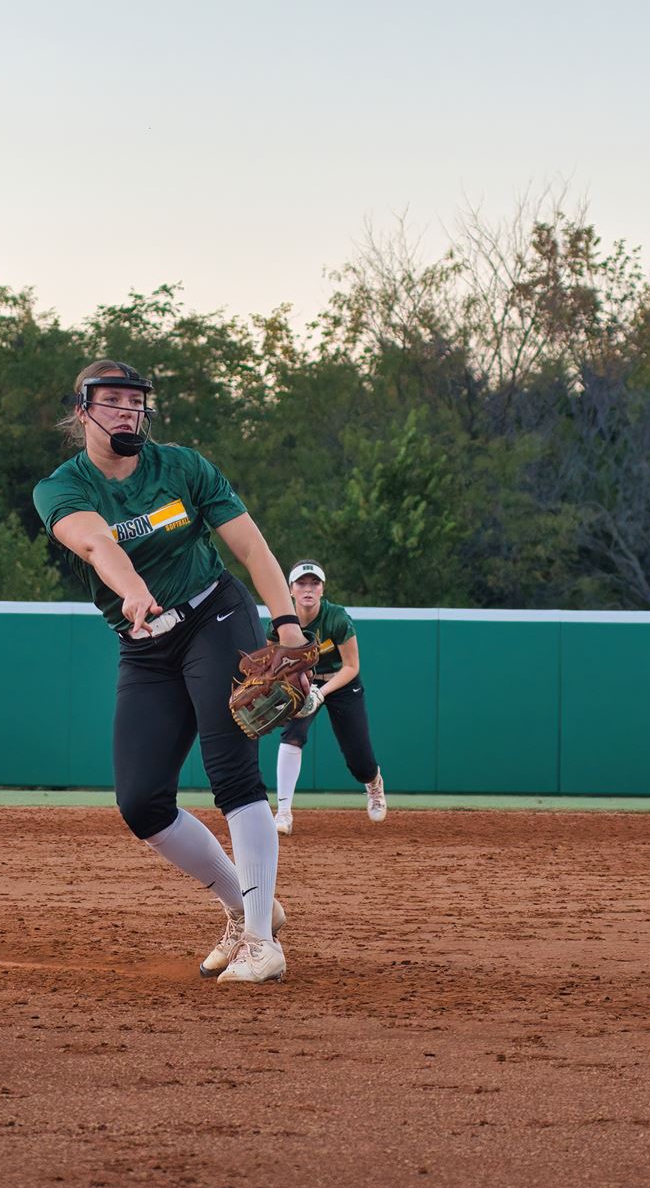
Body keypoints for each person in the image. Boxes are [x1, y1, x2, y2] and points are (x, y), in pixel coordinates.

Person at [33, 360, 313, 983]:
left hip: (214, 615)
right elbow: (96, 543)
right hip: (145, 641)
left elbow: (250, 547)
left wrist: (288, 624)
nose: (128, 411)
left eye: (136, 402)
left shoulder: (183, 467)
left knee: (232, 775)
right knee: (142, 803)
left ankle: (263, 944)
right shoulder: (61, 487)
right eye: (112, 401)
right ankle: (244, 907)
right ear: (82, 411)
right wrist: (132, 589)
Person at [272, 560, 386, 833]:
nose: (308, 589)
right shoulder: (282, 619)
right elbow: (271, 662)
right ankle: (283, 812)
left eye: (314, 583)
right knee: (292, 736)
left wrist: (320, 693)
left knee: (359, 759)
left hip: (340, 683)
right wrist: (278, 688)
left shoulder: (336, 617)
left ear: (323, 589)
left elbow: (351, 666)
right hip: (301, 682)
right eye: (301, 583)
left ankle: (373, 784)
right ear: (291, 590)